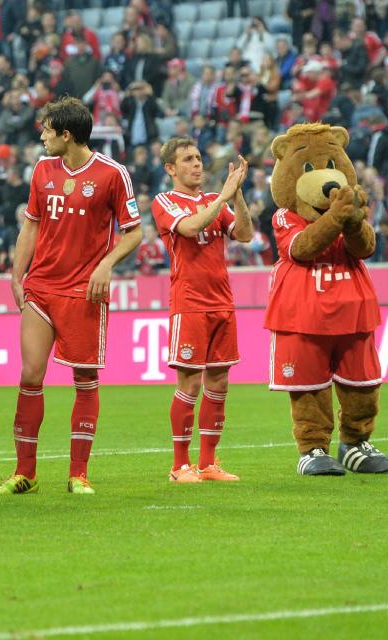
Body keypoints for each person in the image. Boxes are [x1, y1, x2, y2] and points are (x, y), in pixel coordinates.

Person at [0, 97, 143, 496]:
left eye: (46, 130)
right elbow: (31, 226)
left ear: (66, 134)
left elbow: (135, 232)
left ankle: (79, 474)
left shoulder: (113, 174)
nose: (41, 137)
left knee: (85, 379)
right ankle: (25, 473)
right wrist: (16, 273)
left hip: (83, 291)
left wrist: (106, 265)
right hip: (42, 287)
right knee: (30, 375)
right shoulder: (42, 169)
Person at [151, 138, 252, 483]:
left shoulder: (214, 200)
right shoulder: (165, 201)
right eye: (188, 159)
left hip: (222, 302)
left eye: (198, 157)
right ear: (171, 169)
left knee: (220, 381)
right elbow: (191, 228)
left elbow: (245, 233)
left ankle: (208, 464)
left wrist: (236, 192)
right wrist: (223, 197)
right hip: (189, 303)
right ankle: (180, 465)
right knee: (190, 382)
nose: (197, 164)